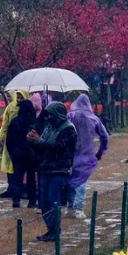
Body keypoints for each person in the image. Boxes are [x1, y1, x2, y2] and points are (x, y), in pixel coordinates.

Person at [29, 103, 77, 243]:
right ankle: (51, 229)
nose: (49, 117)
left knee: (53, 202)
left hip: (58, 170)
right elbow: (42, 147)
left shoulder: (68, 129)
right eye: (47, 114)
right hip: (45, 168)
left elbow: (60, 148)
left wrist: (40, 141)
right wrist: (33, 141)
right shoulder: (48, 127)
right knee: (43, 202)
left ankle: (55, 231)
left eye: (51, 114)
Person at [66, 94, 108, 217]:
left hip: (71, 154)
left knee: (71, 180)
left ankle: (70, 207)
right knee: (82, 181)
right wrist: (100, 151)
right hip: (87, 154)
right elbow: (104, 136)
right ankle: (79, 208)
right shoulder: (94, 119)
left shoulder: (70, 116)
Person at [5, 99, 37, 209]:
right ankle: (32, 201)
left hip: (17, 154)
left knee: (17, 177)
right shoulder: (34, 122)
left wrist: (12, 153)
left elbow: (9, 140)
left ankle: (16, 200)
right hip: (31, 155)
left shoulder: (14, 122)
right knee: (31, 178)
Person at [0, 91, 26, 199]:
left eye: (21, 97)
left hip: (23, 142)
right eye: (17, 97)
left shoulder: (27, 107)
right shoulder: (10, 107)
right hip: (10, 140)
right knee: (9, 166)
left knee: (20, 167)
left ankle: (20, 190)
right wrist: (3, 136)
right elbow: (5, 122)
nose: (19, 100)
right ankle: (11, 188)